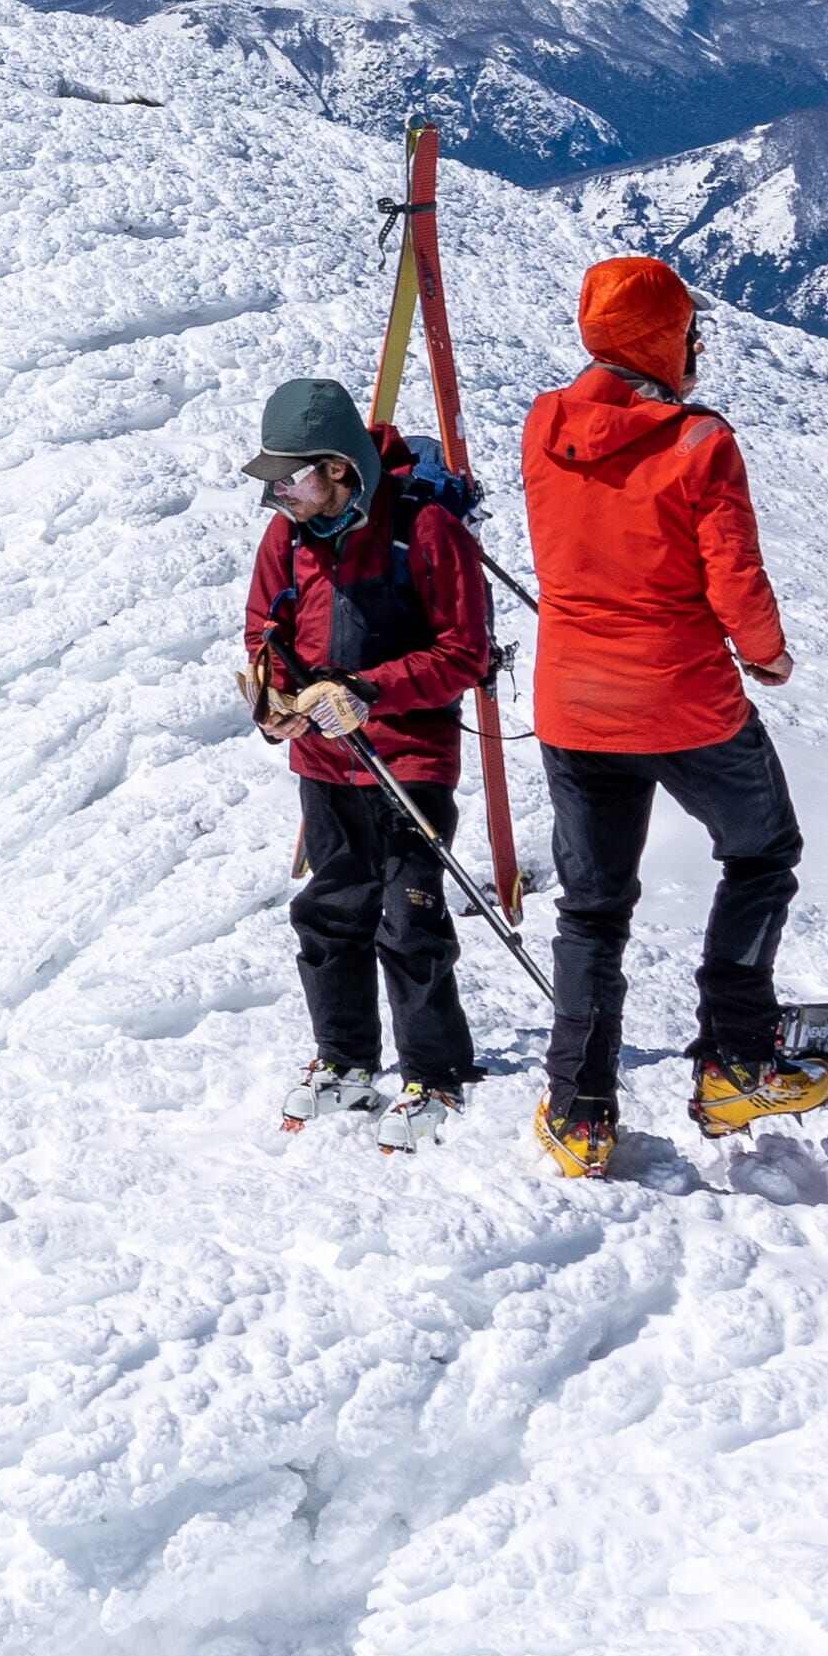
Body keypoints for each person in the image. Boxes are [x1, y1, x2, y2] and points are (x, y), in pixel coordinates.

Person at [517, 256, 815, 1177]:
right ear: (662, 336)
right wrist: (765, 655)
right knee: (761, 852)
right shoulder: (699, 442)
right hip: (683, 698)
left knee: (593, 908)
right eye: (689, 333)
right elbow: (733, 574)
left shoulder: (541, 424)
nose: (695, 350)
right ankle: (733, 1059)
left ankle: (580, 1110)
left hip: (573, 703)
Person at [239, 373, 499, 1123]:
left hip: (409, 756)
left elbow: (463, 653)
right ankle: (344, 1058)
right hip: (323, 758)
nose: (277, 495)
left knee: (408, 915)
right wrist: (274, 706)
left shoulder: (423, 530)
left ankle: (435, 1072)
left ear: (339, 468)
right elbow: (265, 632)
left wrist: (369, 691)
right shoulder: (286, 535)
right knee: (331, 909)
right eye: (271, 479)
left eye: (289, 479)